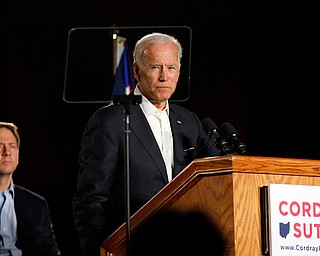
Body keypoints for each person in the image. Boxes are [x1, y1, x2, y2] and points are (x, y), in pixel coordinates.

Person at [72, 32, 221, 256]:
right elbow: (91, 199)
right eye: (155, 67)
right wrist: (100, 250)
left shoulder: (189, 121)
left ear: (179, 73)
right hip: (132, 246)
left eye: (171, 68)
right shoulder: (110, 121)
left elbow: (219, 168)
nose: (164, 76)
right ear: (135, 70)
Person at [0, 121, 61, 256]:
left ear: (18, 156)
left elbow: (50, 252)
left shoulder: (37, 205)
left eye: (12, 146)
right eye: (0, 146)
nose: (7, 152)